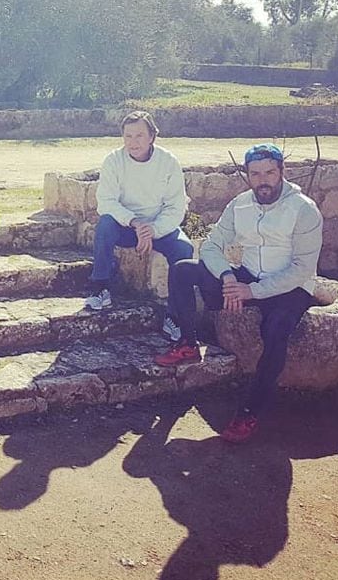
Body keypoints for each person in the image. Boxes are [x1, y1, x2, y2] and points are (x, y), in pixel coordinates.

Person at [154, 143, 323, 443]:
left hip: (288, 287)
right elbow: (211, 245)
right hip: (245, 277)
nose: (263, 180)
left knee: (276, 331)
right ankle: (187, 344)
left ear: (282, 172)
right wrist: (228, 276)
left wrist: (251, 291)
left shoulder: (304, 210)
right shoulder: (240, 204)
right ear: (247, 175)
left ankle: (249, 412)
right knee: (183, 269)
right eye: (255, 173)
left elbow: (301, 269)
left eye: (270, 172)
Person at [86, 111, 193, 340]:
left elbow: (175, 207)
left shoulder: (168, 162)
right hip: (126, 226)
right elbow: (106, 202)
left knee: (185, 251)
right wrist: (135, 223)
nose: (133, 142)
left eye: (139, 136)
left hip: (159, 227)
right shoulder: (114, 160)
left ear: (152, 136)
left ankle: (174, 316)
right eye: (128, 136)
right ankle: (101, 286)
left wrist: (152, 229)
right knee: (105, 225)